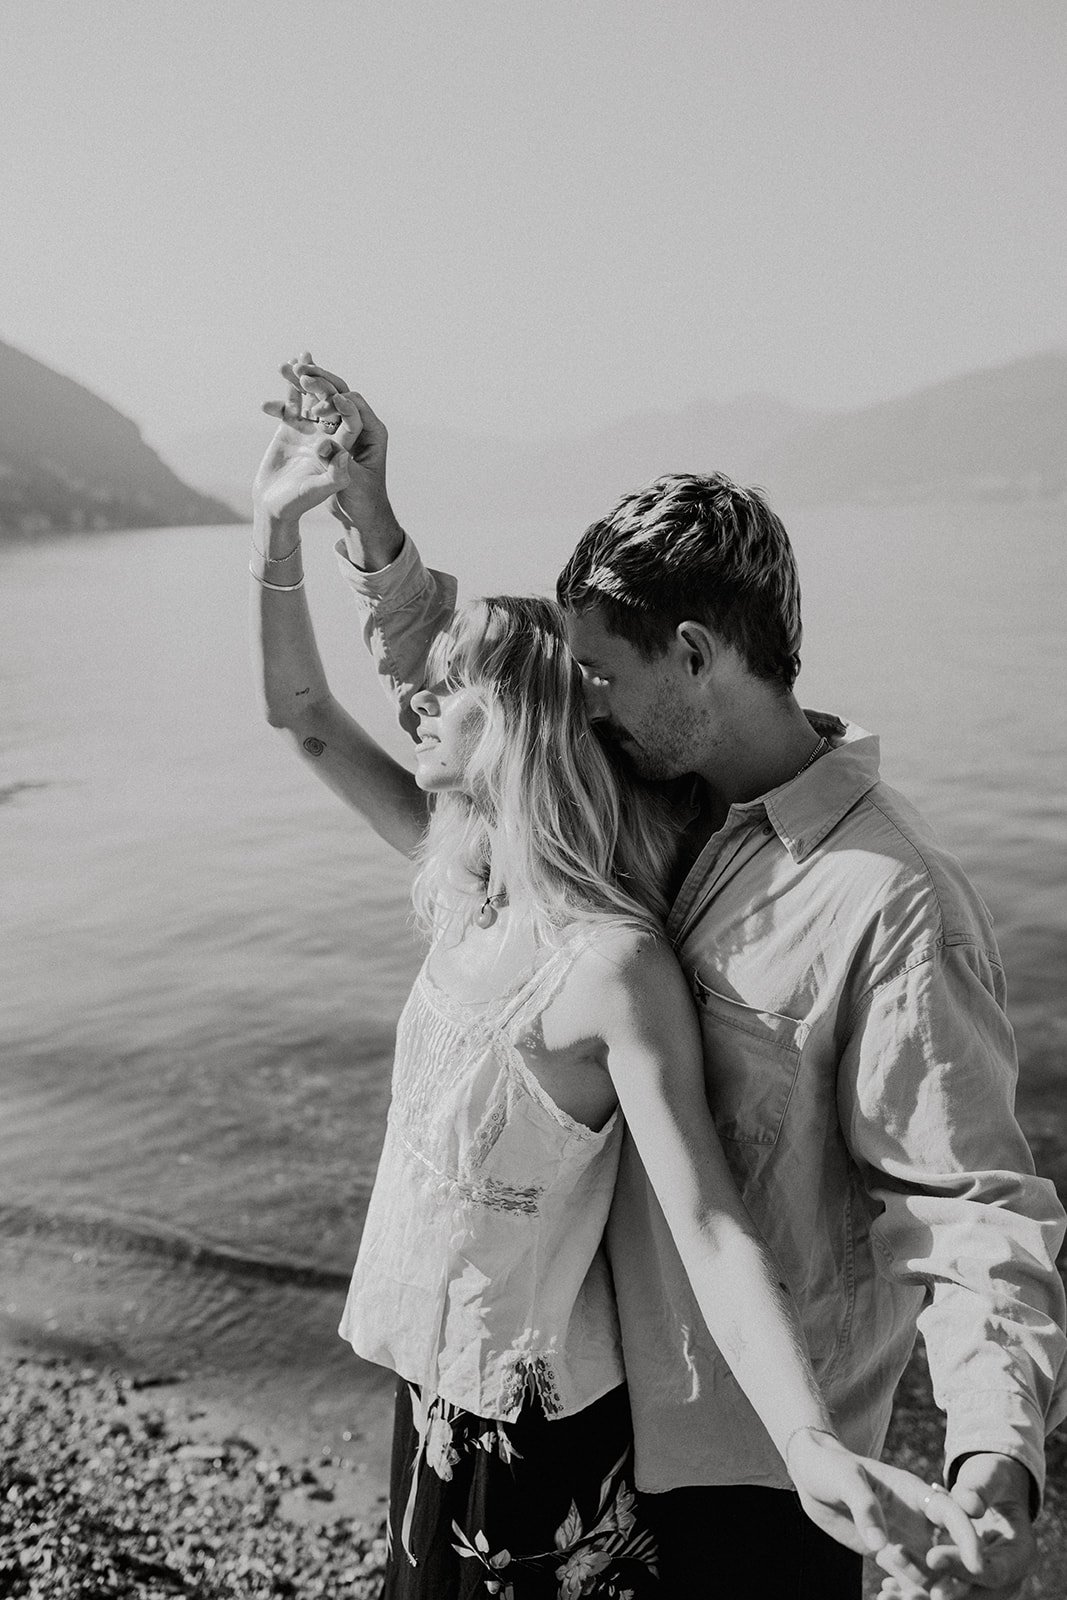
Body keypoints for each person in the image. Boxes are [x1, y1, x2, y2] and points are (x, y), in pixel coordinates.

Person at [282, 356, 1067, 1600]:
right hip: (589, 1424)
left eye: (599, 671)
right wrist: (368, 521)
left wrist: (991, 1460)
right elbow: (477, 676)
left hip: (757, 1475)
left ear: (694, 654)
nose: (577, 702)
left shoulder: (889, 900)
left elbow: (970, 1208)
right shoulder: (652, 780)